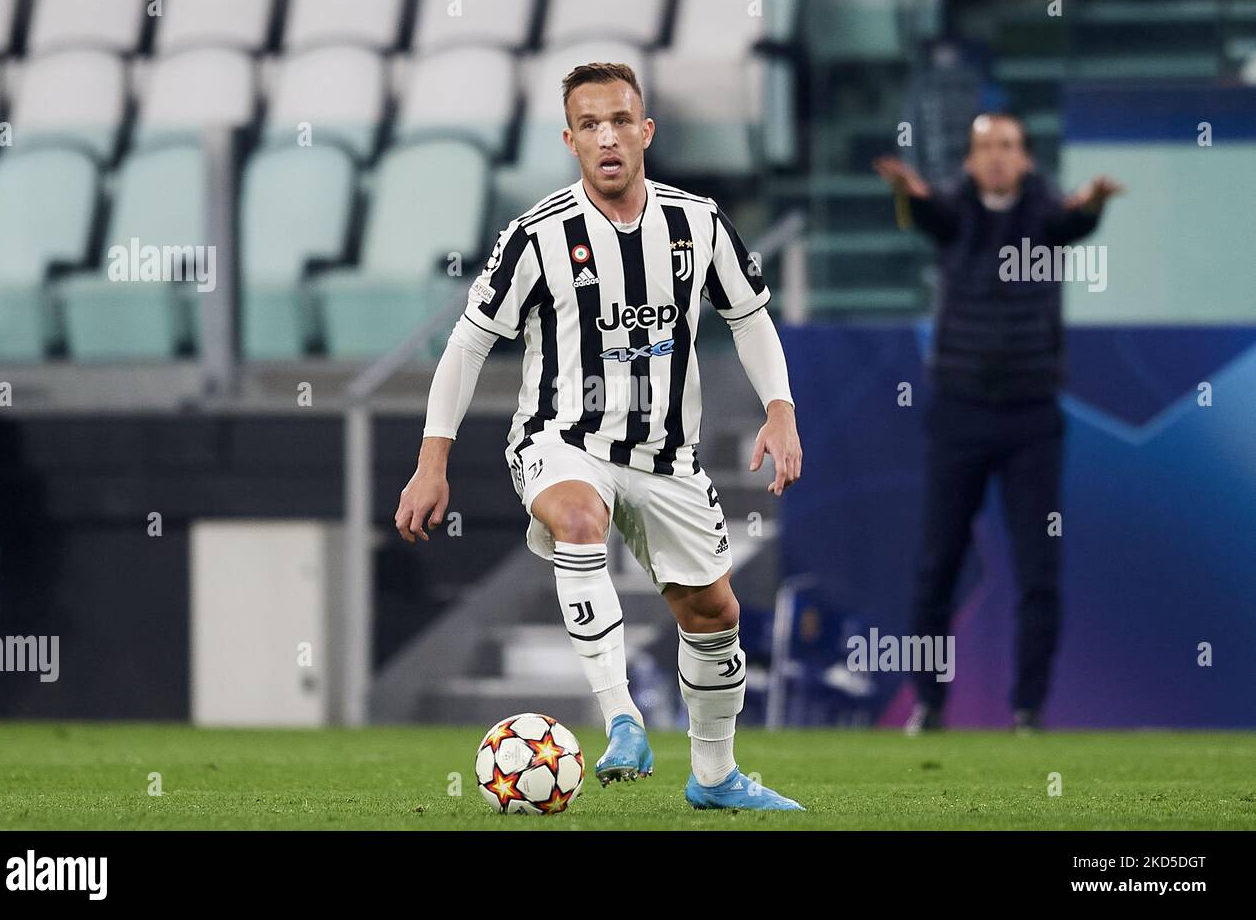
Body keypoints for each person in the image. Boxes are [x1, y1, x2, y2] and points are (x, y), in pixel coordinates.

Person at [396, 63, 805, 811]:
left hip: (665, 458)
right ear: (570, 140)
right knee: (580, 521)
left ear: (645, 132)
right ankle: (622, 718)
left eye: (620, 120)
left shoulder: (697, 223)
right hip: (561, 439)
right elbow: (466, 344)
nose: (607, 136)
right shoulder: (537, 237)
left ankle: (715, 779)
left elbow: (748, 317)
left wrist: (779, 409)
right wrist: (432, 461)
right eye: (589, 124)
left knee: (714, 615)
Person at [874, 113, 1122, 735]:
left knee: (1039, 569)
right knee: (938, 563)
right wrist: (909, 194)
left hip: (1032, 418)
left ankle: (1028, 710)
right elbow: (930, 214)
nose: (997, 157)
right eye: (985, 146)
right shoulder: (955, 215)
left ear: (1026, 159)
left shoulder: (1046, 216)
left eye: (1008, 147)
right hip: (958, 412)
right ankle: (929, 704)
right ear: (968, 159)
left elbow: (1076, 220)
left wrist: (1093, 205)